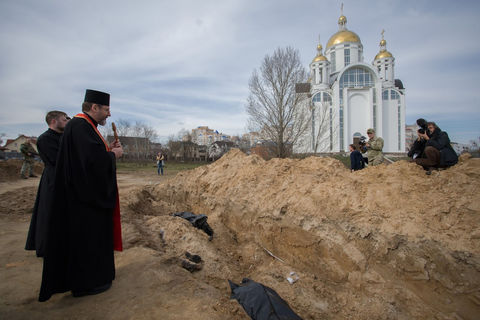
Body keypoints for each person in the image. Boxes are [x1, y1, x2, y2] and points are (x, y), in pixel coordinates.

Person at [38, 89, 123, 302]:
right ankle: (88, 283)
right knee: (87, 242)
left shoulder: (85, 127)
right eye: (106, 109)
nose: (109, 114)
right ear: (93, 107)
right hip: (84, 202)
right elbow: (89, 164)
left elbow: (89, 157)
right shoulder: (80, 126)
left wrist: (107, 152)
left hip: (84, 199)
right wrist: (112, 155)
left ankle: (94, 279)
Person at [25, 111, 69, 257]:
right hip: (53, 180)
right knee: (49, 213)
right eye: (64, 119)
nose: (67, 121)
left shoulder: (64, 136)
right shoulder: (45, 139)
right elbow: (57, 160)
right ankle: (47, 247)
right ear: (53, 121)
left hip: (65, 178)